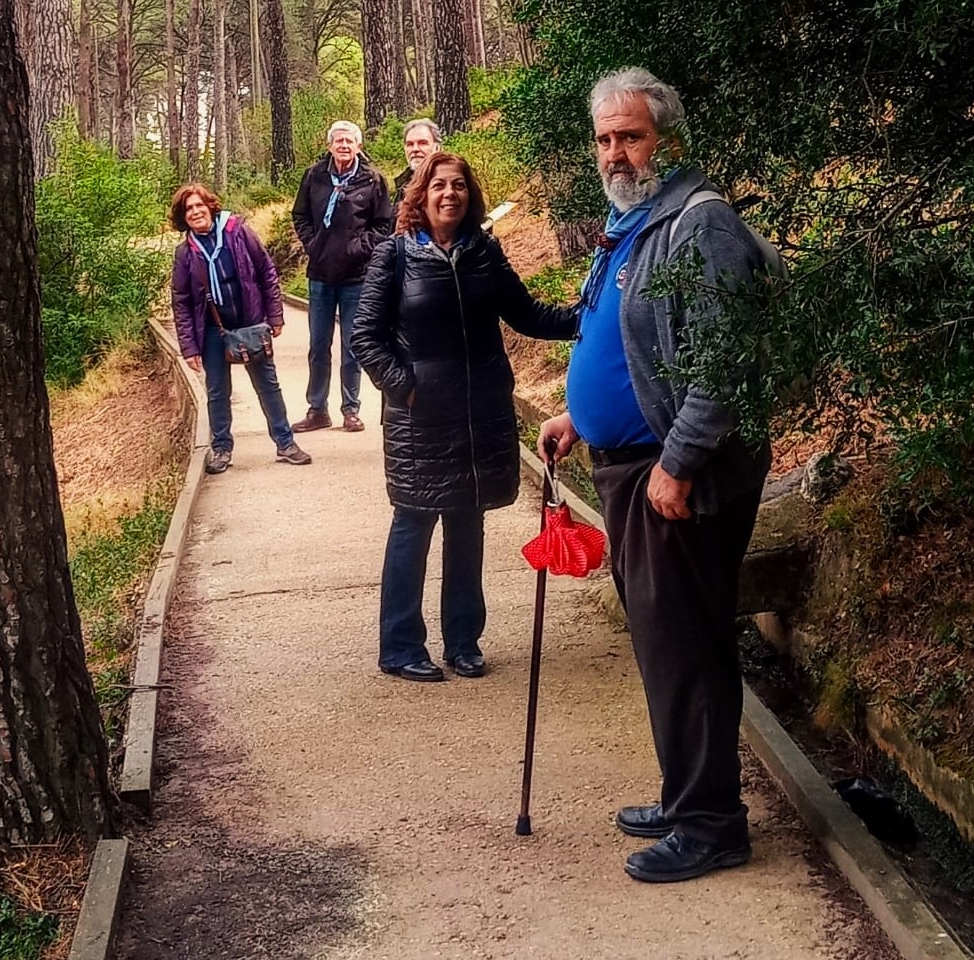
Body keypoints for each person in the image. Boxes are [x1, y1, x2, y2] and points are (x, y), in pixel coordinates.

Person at [537, 67, 775, 883]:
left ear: (666, 141)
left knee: (686, 650)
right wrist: (579, 413)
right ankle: (687, 796)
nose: (615, 153)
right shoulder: (632, 221)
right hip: (629, 466)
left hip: (672, 478)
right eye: (604, 139)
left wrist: (677, 463)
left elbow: (724, 361)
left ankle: (711, 825)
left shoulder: (699, 224)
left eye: (630, 137)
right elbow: (632, 340)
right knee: (664, 643)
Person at [352, 152, 578, 682]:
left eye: (458, 185)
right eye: (438, 185)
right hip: (419, 421)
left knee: (468, 521)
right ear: (421, 195)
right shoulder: (395, 255)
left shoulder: (484, 252)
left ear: (469, 195)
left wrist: (589, 316)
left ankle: (463, 642)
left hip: (479, 415)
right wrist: (407, 388)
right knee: (413, 522)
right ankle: (400, 646)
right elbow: (365, 336)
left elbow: (526, 314)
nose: (449, 194)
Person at [170, 182, 313, 474]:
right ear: (183, 217)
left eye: (199, 205)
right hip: (213, 329)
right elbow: (181, 301)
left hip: (250, 321)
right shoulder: (185, 253)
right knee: (217, 392)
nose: (196, 212)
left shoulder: (238, 232)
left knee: (268, 386)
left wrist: (275, 316)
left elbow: (266, 271)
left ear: (210, 206)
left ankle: (285, 443)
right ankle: (222, 449)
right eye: (189, 209)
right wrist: (189, 347)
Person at [290, 120, 393, 434]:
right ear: (330, 146)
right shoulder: (315, 176)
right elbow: (300, 214)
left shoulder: (373, 179)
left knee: (352, 346)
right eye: (339, 141)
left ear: (359, 146)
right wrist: (312, 244)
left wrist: (359, 248)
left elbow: (383, 224)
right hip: (320, 275)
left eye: (349, 141)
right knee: (318, 346)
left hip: (356, 277)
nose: (344, 146)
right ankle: (317, 409)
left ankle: (351, 409)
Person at [393, 118, 441, 200]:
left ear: (437, 148)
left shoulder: (448, 183)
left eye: (423, 143)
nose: (415, 149)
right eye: (410, 144)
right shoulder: (403, 184)